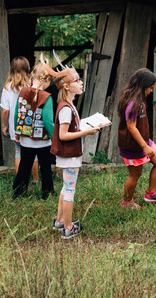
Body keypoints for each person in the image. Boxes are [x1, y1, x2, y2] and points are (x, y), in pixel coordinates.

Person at [50, 67, 98, 239]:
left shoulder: (69, 106)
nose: (81, 82)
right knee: (70, 190)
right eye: (77, 81)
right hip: (69, 156)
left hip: (69, 156)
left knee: (65, 188)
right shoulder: (65, 109)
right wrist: (86, 132)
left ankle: (60, 220)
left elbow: (70, 128)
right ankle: (68, 228)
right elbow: (63, 135)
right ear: (67, 87)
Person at [117, 68, 156, 209]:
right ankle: (127, 202)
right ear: (143, 86)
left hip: (144, 141)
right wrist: (145, 147)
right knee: (135, 174)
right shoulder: (133, 103)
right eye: (150, 88)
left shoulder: (138, 100)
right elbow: (131, 127)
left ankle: (151, 193)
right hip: (133, 145)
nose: (151, 91)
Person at [12, 61, 55, 200]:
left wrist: (17, 132)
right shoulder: (46, 97)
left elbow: (16, 113)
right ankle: (47, 192)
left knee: (24, 166)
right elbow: (48, 121)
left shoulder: (23, 92)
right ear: (46, 79)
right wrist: (55, 138)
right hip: (43, 142)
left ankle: (18, 192)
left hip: (25, 139)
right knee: (45, 168)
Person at [0, 57, 38, 184]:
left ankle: (20, 180)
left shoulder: (8, 87)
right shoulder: (32, 85)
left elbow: (5, 110)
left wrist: (4, 125)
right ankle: (36, 180)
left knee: (18, 152)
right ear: (27, 69)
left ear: (12, 69)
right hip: (30, 124)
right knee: (33, 153)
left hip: (15, 126)